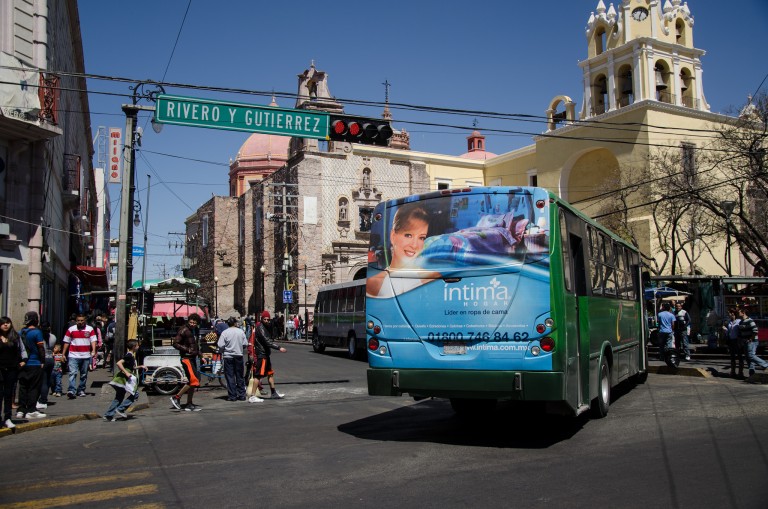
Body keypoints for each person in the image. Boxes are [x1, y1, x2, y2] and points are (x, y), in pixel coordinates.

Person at [367, 203, 436, 298]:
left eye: (421, 238)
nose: (414, 245)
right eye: (408, 235)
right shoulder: (374, 284)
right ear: (393, 236)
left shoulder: (432, 278)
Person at [103, 339, 145, 421]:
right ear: (134, 347)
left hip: (122, 378)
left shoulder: (131, 355)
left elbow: (131, 367)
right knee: (135, 394)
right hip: (122, 379)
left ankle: (109, 415)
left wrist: (140, 366)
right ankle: (121, 409)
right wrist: (126, 373)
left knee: (119, 397)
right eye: (137, 345)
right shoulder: (129, 355)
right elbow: (119, 363)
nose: (138, 347)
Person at [17, 311, 47, 419]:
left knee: (23, 386)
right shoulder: (37, 332)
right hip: (34, 363)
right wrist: (43, 361)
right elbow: (41, 348)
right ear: (36, 320)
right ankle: (31, 409)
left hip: (23, 363)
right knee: (34, 387)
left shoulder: (20, 332)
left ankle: (21, 409)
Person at [170, 313, 202, 411]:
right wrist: (187, 350)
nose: (192, 324)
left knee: (193, 381)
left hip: (193, 358)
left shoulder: (195, 330)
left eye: (194, 323)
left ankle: (189, 403)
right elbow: (175, 343)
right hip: (186, 358)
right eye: (191, 322)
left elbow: (194, 344)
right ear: (188, 321)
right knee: (194, 380)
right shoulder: (183, 330)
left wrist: (199, 354)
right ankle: (176, 397)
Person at [252, 310, 287, 400]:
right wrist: (279, 348)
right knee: (258, 375)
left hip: (266, 354)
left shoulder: (265, 327)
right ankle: (252, 396)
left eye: (268, 319)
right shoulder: (261, 328)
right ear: (262, 319)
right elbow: (267, 341)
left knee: (270, 373)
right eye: (265, 319)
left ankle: (273, 392)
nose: (267, 321)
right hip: (262, 355)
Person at [62, 313, 98, 399]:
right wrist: (63, 354)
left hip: (85, 356)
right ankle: (71, 390)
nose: (80, 322)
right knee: (72, 373)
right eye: (78, 320)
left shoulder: (90, 329)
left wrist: (93, 350)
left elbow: (93, 340)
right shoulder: (71, 329)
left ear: (85, 320)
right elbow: (66, 342)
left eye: (82, 320)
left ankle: (81, 389)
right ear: (76, 321)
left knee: (83, 374)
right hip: (73, 355)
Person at [0, 317, 23, 429]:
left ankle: (8, 418)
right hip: (0, 369)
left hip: (11, 369)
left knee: (8, 394)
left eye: (8, 323)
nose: (5, 325)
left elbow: (20, 351)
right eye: (3, 323)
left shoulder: (15, 337)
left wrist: (22, 361)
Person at [218, 317, 248, 401]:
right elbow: (245, 344)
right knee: (240, 376)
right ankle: (242, 395)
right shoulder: (240, 332)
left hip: (228, 357)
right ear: (235, 323)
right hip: (238, 356)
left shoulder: (225, 332)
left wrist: (225, 349)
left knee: (230, 376)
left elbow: (220, 345)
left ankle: (232, 396)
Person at [737, 307, 768, 377]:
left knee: (751, 355)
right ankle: (752, 374)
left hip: (752, 341)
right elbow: (740, 332)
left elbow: (755, 331)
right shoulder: (741, 322)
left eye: (739, 312)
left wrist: (751, 338)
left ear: (743, 313)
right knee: (748, 358)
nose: (738, 313)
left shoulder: (750, 321)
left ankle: (765, 365)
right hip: (745, 341)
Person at [36, 321, 57, 409]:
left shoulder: (39, 336)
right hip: (51, 359)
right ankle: (44, 399)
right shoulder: (53, 337)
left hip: (42, 360)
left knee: (42, 381)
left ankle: (42, 400)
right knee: (47, 380)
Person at [723, 308, 745, 379]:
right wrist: (726, 330)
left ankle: (740, 372)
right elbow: (729, 332)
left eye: (729, 313)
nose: (729, 315)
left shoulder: (739, 321)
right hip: (731, 341)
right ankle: (733, 372)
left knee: (739, 356)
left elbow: (741, 330)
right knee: (732, 357)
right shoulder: (729, 322)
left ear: (733, 314)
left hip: (737, 341)